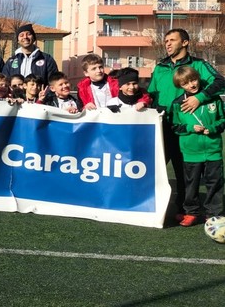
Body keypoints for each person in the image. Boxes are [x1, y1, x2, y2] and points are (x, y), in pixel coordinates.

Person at [147, 28, 225, 220]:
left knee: (184, 171)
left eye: (172, 40)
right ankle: (149, 204)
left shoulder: (198, 65)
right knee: (151, 168)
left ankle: (185, 208)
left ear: (185, 42)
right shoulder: (160, 67)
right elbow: (152, 95)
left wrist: (199, 98)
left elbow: (220, 82)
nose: (167, 44)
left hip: (187, 128)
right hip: (162, 126)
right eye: (166, 40)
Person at [171, 65, 225, 226]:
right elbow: (175, 127)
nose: (191, 85)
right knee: (191, 184)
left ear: (198, 79)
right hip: (191, 151)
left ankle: (213, 213)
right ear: (180, 86)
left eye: (193, 80)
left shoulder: (214, 99)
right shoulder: (177, 104)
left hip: (213, 149)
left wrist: (213, 128)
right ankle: (191, 211)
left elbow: (223, 120)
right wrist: (189, 128)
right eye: (186, 83)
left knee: (214, 183)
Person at [77, 54, 150, 111]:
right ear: (86, 73)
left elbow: (141, 93)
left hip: (116, 120)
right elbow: (79, 108)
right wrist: (84, 107)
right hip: (96, 124)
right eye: (94, 69)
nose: (99, 70)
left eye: (100, 67)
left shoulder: (115, 82)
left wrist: (142, 101)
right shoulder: (82, 88)